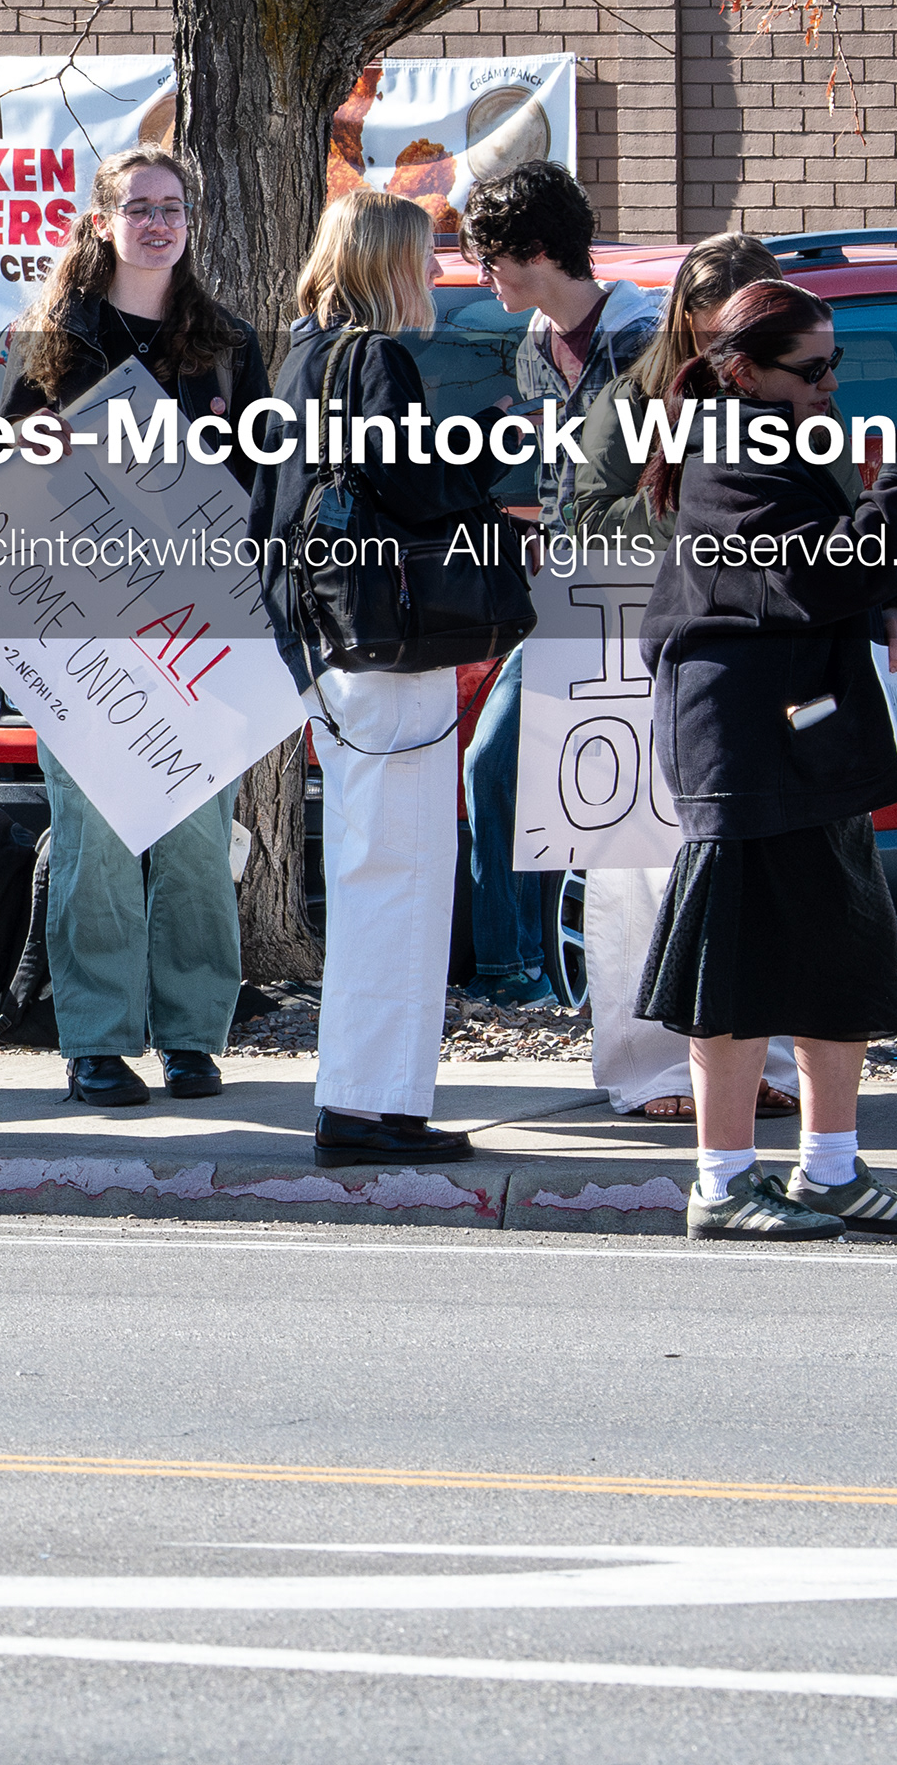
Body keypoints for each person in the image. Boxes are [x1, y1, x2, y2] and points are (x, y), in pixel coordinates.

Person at [636, 280, 897, 1238]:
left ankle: (831, 1169)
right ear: (740, 371)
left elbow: (821, 577)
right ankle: (723, 1182)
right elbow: (819, 571)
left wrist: (890, 602)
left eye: (834, 365)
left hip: (806, 733)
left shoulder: (774, 445)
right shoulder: (732, 454)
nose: (828, 385)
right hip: (745, 739)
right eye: (809, 370)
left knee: (836, 954)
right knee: (739, 968)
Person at [0, 146, 272, 1109]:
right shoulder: (55, 342)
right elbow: (13, 479)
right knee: (98, 838)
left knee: (198, 838)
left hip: (199, 628)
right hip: (86, 631)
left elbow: (263, 482)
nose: (160, 222)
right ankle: (98, 1043)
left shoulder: (228, 342)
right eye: (141, 207)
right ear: (103, 221)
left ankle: (193, 1036)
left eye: (174, 207)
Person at [250, 189, 514, 1164]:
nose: (437, 269)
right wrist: (495, 437)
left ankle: (365, 1099)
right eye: (425, 253)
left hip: (327, 651)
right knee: (404, 877)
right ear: (386, 263)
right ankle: (374, 1107)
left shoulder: (298, 361)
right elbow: (423, 488)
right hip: (391, 650)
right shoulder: (379, 361)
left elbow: (266, 521)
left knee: (369, 873)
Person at [555, 233, 804, 1122]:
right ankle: (652, 1069)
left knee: (750, 860)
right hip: (640, 648)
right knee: (639, 872)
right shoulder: (632, 400)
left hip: (754, 653)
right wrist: (694, 498)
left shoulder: (786, 402)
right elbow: (584, 520)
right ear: (691, 321)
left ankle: (760, 1062)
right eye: (723, 322)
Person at [454, 161, 658, 1007]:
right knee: (494, 763)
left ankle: (629, 990)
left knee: (623, 804)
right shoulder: (536, 344)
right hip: (557, 593)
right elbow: (555, 478)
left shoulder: (643, 339)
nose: (481, 274)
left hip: (638, 598)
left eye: (489, 257)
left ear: (537, 250)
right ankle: (514, 972)